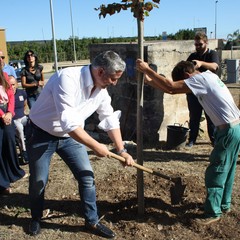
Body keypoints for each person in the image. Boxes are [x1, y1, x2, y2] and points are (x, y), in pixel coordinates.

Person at [27, 51, 135, 238]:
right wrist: (96, 146)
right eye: (113, 78)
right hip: (41, 133)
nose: (114, 83)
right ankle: (36, 218)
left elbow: (109, 117)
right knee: (39, 181)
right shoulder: (67, 78)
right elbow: (68, 123)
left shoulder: (101, 89)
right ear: (100, 71)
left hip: (70, 137)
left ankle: (92, 221)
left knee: (87, 177)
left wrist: (122, 150)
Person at [136, 58, 240, 225]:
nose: (185, 85)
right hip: (235, 127)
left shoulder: (199, 80)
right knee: (227, 169)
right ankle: (224, 204)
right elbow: (171, 91)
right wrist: (150, 81)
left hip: (227, 131)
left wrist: (147, 70)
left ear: (187, 75)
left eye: (183, 81)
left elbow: (171, 86)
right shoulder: (208, 76)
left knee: (216, 171)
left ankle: (213, 212)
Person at [186, 32, 220, 147]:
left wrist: (201, 63)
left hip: (209, 93)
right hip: (194, 92)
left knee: (211, 117)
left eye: (200, 44)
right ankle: (192, 140)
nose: (198, 47)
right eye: (196, 45)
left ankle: (214, 140)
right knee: (194, 117)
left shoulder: (212, 54)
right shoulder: (192, 56)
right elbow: (187, 69)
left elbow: (215, 67)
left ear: (206, 43)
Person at [0, 69, 25, 195]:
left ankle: (13, 172)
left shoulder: (3, 75)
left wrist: (9, 112)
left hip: (7, 114)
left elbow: (10, 94)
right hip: (1, 115)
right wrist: (2, 115)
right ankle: (3, 183)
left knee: (9, 144)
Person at [9, 75, 29, 164]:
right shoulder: (6, 96)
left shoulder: (22, 93)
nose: (12, 87)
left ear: (17, 84)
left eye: (13, 84)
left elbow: (25, 104)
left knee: (34, 123)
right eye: (9, 85)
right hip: (14, 120)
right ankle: (24, 151)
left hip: (23, 117)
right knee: (20, 130)